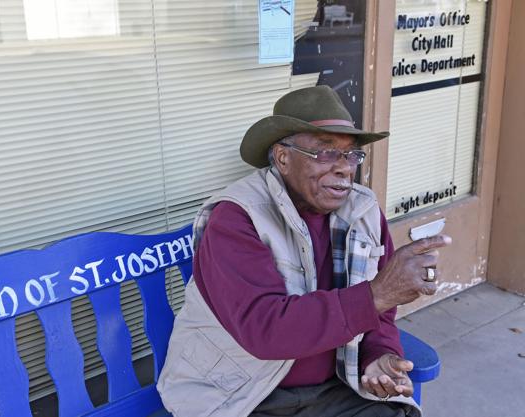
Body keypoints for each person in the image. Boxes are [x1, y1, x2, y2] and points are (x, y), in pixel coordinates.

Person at [157, 86, 451, 417]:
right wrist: (377, 294)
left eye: (351, 154)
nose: (344, 168)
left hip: (334, 387)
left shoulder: (363, 210)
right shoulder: (236, 218)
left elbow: (380, 313)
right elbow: (264, 329)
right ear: (283, 158)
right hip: (244, 394)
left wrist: (378, 355)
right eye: (326, 153)